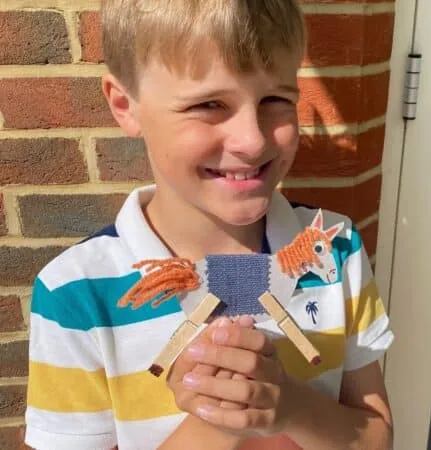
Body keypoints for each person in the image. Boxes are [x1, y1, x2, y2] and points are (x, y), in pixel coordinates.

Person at [24, 0, 395, 448]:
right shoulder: (75, 293)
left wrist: (292, 405)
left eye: (275, 99)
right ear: (126, 105)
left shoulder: (334, 250)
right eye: (209, 104)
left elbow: (376, 437)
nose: (252, 141)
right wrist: (215, 419)